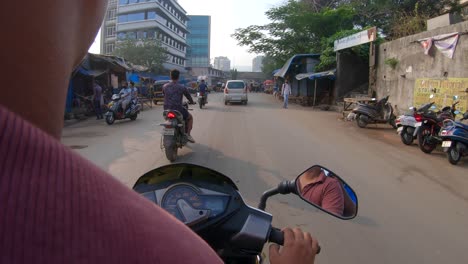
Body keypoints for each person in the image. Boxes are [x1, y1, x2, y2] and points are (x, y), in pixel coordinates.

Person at [0, 1, 319, 263]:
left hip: (169, 112)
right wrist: (190, 102)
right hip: (177, 112)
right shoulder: (172, 250)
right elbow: (187, 100)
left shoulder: (167, 85)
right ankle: (186, 132)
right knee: (188, 117)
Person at [163, 69, 196, 143]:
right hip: (178, 110)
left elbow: (164, 95)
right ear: (178, 77)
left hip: (166, 110)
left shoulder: (165, 86)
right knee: (190, 118)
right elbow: (188, 97)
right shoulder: (182, 87)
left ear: (170, 76)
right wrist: (192, 102)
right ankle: (188, 134)